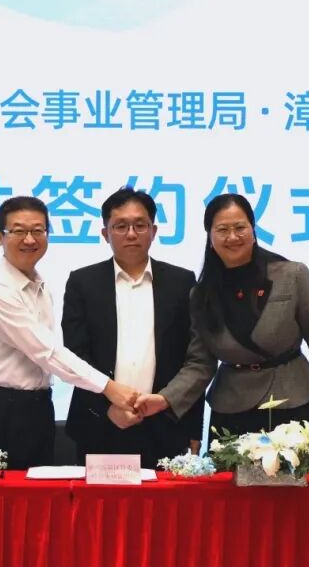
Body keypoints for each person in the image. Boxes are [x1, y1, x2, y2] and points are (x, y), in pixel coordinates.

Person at [135, 193, 309, 443]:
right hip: (231, 410)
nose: (232, 237)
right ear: (210, 236)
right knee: (229, 470)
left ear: (253, 229)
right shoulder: (201, 294)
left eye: (240, 228)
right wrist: (165, 398)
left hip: (294, 401)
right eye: (222, 230)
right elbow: (200, 364)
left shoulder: (292, 275)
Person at [0, 196, 140, 469]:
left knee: (37, 494)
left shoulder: (39, 285)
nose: (29, 239)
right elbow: (47, 352)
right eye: (18, 231)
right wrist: (110, 388)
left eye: (38, 230)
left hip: (37, 409)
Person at [61, 188, 203, 468]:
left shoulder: (181, 282)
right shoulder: (83, 283)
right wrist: (108, 407)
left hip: (166, 425)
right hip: (99, 424)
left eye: (140, 225)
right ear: (105, 233)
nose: (131, 234)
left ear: (153, 231)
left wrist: (193, 428)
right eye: (120, 226)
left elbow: (194, 360)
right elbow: (76, 356)